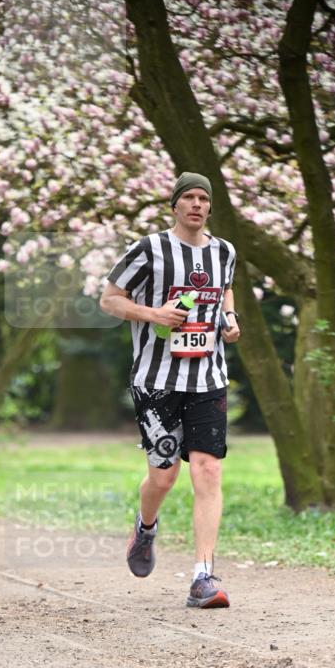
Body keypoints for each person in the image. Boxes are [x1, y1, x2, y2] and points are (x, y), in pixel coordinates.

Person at [100, 172, 240, 608]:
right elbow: (109, 300)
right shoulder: (149, 249)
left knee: (208, 469)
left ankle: (203, 577)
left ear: (210, 207)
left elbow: (225, 291)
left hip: (208, 378)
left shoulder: (224, 252)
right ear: (175, 205)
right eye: (189, 198)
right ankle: (145, 527)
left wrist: (229, 320)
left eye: (203, 198)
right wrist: (153, 314)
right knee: (164, 476)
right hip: (156, 380)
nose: (197, 204)